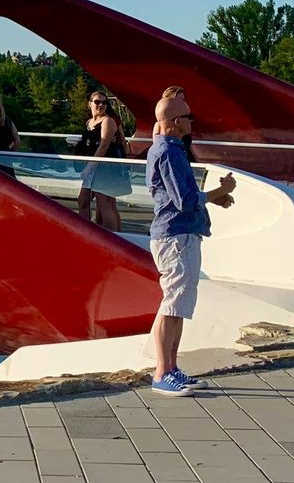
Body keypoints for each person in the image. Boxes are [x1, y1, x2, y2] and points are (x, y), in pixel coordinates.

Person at [145, 89, 237, 395]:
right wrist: (220, 192)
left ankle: (171, 367)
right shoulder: (169, 152)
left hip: (179, 234)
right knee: (172, 304)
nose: (191, 121)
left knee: (179, 305)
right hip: (176, 235)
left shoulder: (169, 148)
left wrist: (215, 198)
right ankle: (162, 372)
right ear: (173, 121)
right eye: (187, 116)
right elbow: (184, 201)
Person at [75, 93, 131, 232]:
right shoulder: (89, 122)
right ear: (90, 103)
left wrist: (88, 168)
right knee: (84, 200)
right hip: (95, 167)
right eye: (97, 102)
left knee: (105, 203)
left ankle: (113, 237)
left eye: (104, 102)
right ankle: (86, 231)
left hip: (105, 167)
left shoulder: (108, 121)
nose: (101, 105)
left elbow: (104, 145)